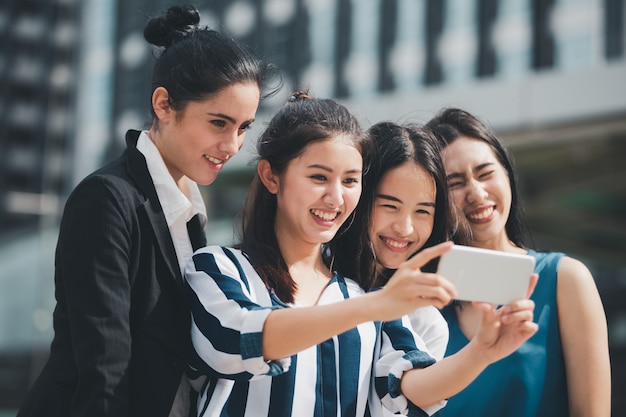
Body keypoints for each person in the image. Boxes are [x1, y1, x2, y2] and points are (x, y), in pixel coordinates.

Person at [183, 92, 538, 417]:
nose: (336, 198)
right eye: (319, 177)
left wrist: (480, 353)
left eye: (351, 181)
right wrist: (375, 307)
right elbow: (233, 339)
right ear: (271, 177)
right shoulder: (219, 267)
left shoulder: (368, 298)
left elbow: (406, 386)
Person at [16, 5, 278, 417]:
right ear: (163, 104)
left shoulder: (189, 210)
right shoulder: (107, 199)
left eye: (243, 127)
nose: (233, 146)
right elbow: (105, 365)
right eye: (219, 123)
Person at [426, 107, 611, 417]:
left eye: (485, 173)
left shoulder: (565, 279)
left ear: (507, 174)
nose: (476, 192)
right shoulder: (424, 299)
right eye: (455, 183)